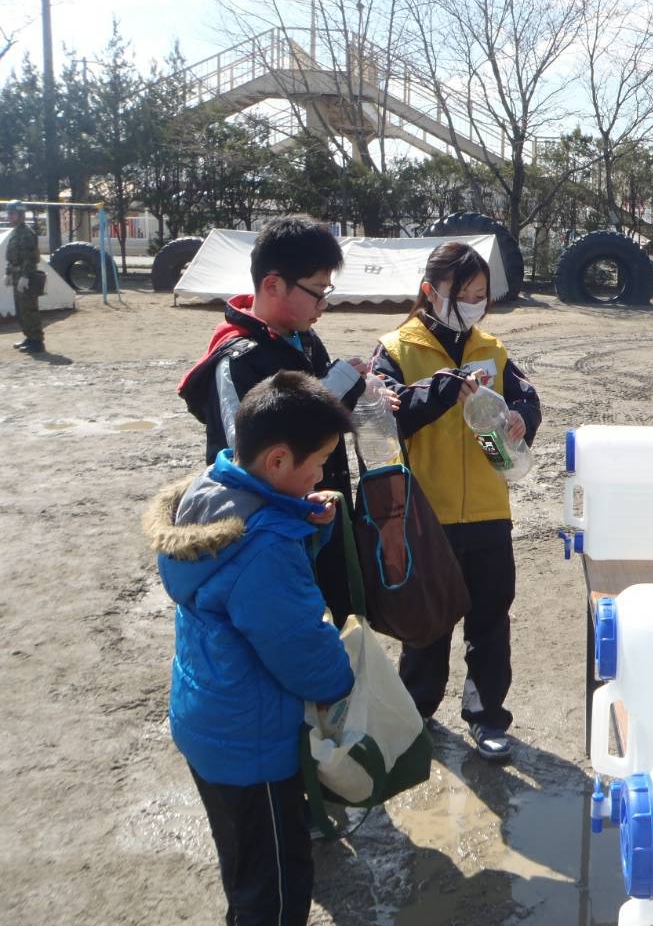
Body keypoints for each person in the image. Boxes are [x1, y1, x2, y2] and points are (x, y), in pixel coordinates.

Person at [143, 371, 356, 926]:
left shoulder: (213, 496)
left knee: (243, 864)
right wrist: (343, 683)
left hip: (206, 721)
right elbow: (299, 645)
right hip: (252, 743)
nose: (322, 474)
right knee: (277, 888)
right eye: (319, 462)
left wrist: (302, 517)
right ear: (279, 461)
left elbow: (249, 579)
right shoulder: (263, 549)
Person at [371, 241, 541, 762]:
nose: (474, 305)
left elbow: (526, 398)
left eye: (481, 296)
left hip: (490, 511)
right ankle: (417, 713)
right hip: (429, 516)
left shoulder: (492, 347)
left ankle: (488, 716)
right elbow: (383, 421)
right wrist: (440, 390)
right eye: (463, 295)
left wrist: (519, 418)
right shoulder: (397, 349)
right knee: (428, 623)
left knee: (491, 620)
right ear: (431, 292)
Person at [177, 217, 370, 623]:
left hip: (314, 514)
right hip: (266, 538)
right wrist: (337, 390)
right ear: (272, 284)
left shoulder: (303, 338)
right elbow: (254, 458)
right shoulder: (239, 359)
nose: (324, 304)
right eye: (317, 292)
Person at [5, 201, 44, 354]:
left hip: (26, 276)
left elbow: (30, 258)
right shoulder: (15, 232)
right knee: (21, 309)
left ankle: (37, 341)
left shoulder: (27, 233)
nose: (9, 216)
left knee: (29, 309)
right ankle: (29, 337)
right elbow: (12, 256)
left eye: (12, 213)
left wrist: (25, 276)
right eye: (9, 213)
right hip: (16, 275)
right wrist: (8, 273)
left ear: (20, 214)